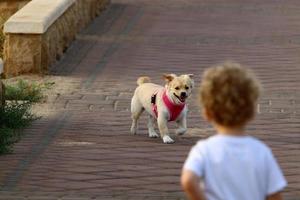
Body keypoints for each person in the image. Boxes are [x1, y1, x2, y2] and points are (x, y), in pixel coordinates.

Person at [181, 62, 287, 200]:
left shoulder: (203, 150)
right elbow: (275, 194)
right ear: (252, 112)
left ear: (207, 113)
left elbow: (188, 181)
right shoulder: (261, 151)